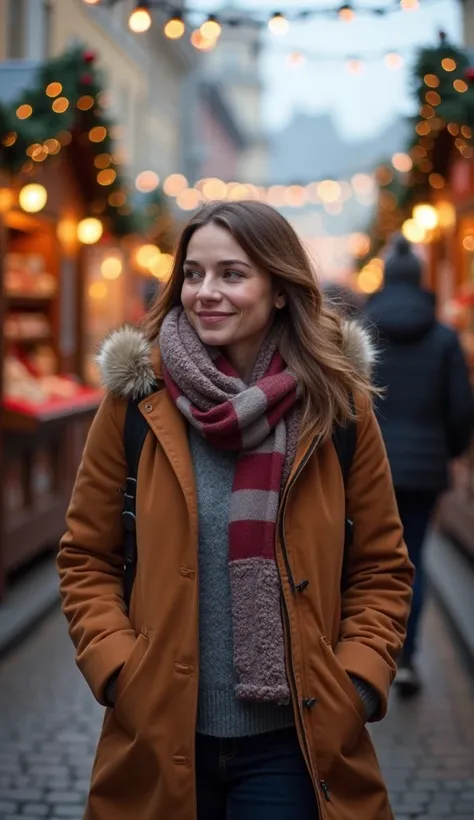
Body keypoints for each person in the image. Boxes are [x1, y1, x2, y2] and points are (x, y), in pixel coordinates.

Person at [58, 201, 413, 820]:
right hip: (161, 733)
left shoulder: (338, 409)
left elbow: (381, 568)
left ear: (278, 289)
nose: (206, 293)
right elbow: (86, 556)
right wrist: (120, 673)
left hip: (294, 744)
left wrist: (354, 684)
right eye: (193, 274)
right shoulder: (137, 400)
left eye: (231, 274)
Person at [364, 234, 474, 696]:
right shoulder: (444, 337)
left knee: (372, 562)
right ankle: (407, 658)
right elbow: (461, 409)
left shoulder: (363, 330)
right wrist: (446, 453)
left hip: (371, 469)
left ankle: (375, 655)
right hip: (424, 468)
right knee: (414, 559)